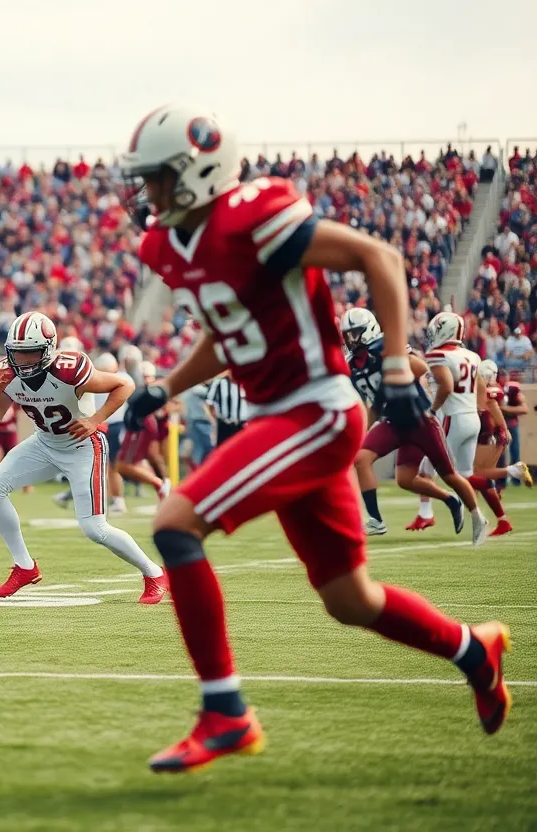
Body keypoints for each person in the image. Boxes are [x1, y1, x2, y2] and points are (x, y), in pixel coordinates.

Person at [120, 103, 510, 773]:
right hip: (283, 415)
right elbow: (228, 331)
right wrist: (166, 387)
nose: (146, 194)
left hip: (312, 412)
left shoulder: (253, 215)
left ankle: (226, 713)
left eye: (157, 178)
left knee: (176, 520)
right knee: (349, 599)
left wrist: (393, 366)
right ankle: (474, 652)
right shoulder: (167, 245)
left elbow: (377, 257)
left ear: (198, 173)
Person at [0, 312, 168, 603]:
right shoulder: (8, 373)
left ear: (47, 349)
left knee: (95, 528)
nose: (23, 360)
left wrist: (96, 419)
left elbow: (124, 385)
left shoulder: (69, 369)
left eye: (30, 352)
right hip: (43, 443)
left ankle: (154, 573)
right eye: (17, 352)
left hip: (82, 447)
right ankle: (25, 566)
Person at [342, 308, 484, 539]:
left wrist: (396, 377)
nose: (350, 340)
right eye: (347, 335)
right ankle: (377, 520)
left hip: (419, 420)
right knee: (366, 461)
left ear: (367, 330)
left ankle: (477, 515)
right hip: (392, 422)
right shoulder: (353, 365)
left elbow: (419, 368)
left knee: (449, 475)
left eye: (354, 333)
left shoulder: (383, 348)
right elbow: (372, 405)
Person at [426, 312, 507, 534]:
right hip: (473, 418)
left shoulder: (438, 354)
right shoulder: (473, 356)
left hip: (454, 418)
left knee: (426, 471)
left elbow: (446, 387)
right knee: (464, 476)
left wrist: (432, 410)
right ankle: (485, 517)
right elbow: (483, 395)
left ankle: (429, 512)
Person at [473, 360, 532, 536]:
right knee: (481, 476)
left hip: (492, 434)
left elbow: (491, 405)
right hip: (492, 434)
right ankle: (501, 520)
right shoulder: (491, 389)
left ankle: (514, 471)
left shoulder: (491, 391)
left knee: (477, 473)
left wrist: (504, 429)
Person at [94, 352, 135, 514]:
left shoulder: (121, 379)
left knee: (113, 465)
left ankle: (117, 499)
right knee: (106, 466)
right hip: (105, 425)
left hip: (113, 425)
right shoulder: (115, 378)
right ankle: (110, 499)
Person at [498, 370, 528, 486]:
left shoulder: (513, 389)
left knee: (515, 452)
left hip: (511, 423)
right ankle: (501, 480)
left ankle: (516, 480)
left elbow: (524, 409)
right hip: (498, 425)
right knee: (499, 454)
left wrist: (506, 409)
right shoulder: (493, 388)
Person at [204, 371, 245, 446]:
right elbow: (209, 403)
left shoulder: (242, 381)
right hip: (224, 424)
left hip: (241, 424)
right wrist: (214, 419)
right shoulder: (218, 382)